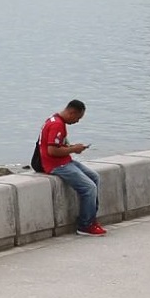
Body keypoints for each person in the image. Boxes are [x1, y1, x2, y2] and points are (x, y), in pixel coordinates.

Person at [39, 99, 104, 236]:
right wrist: (74, 149)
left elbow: (57, 146)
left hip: (65, 161)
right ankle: (85, 225)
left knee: (94, 177)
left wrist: (72, 148)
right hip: (56, 165)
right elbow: (52, 151)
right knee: (89, 187)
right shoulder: (57, 125)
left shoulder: (55, 120)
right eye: (77, 118)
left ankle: (91, 218)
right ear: (71, 112)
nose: (77, 121)